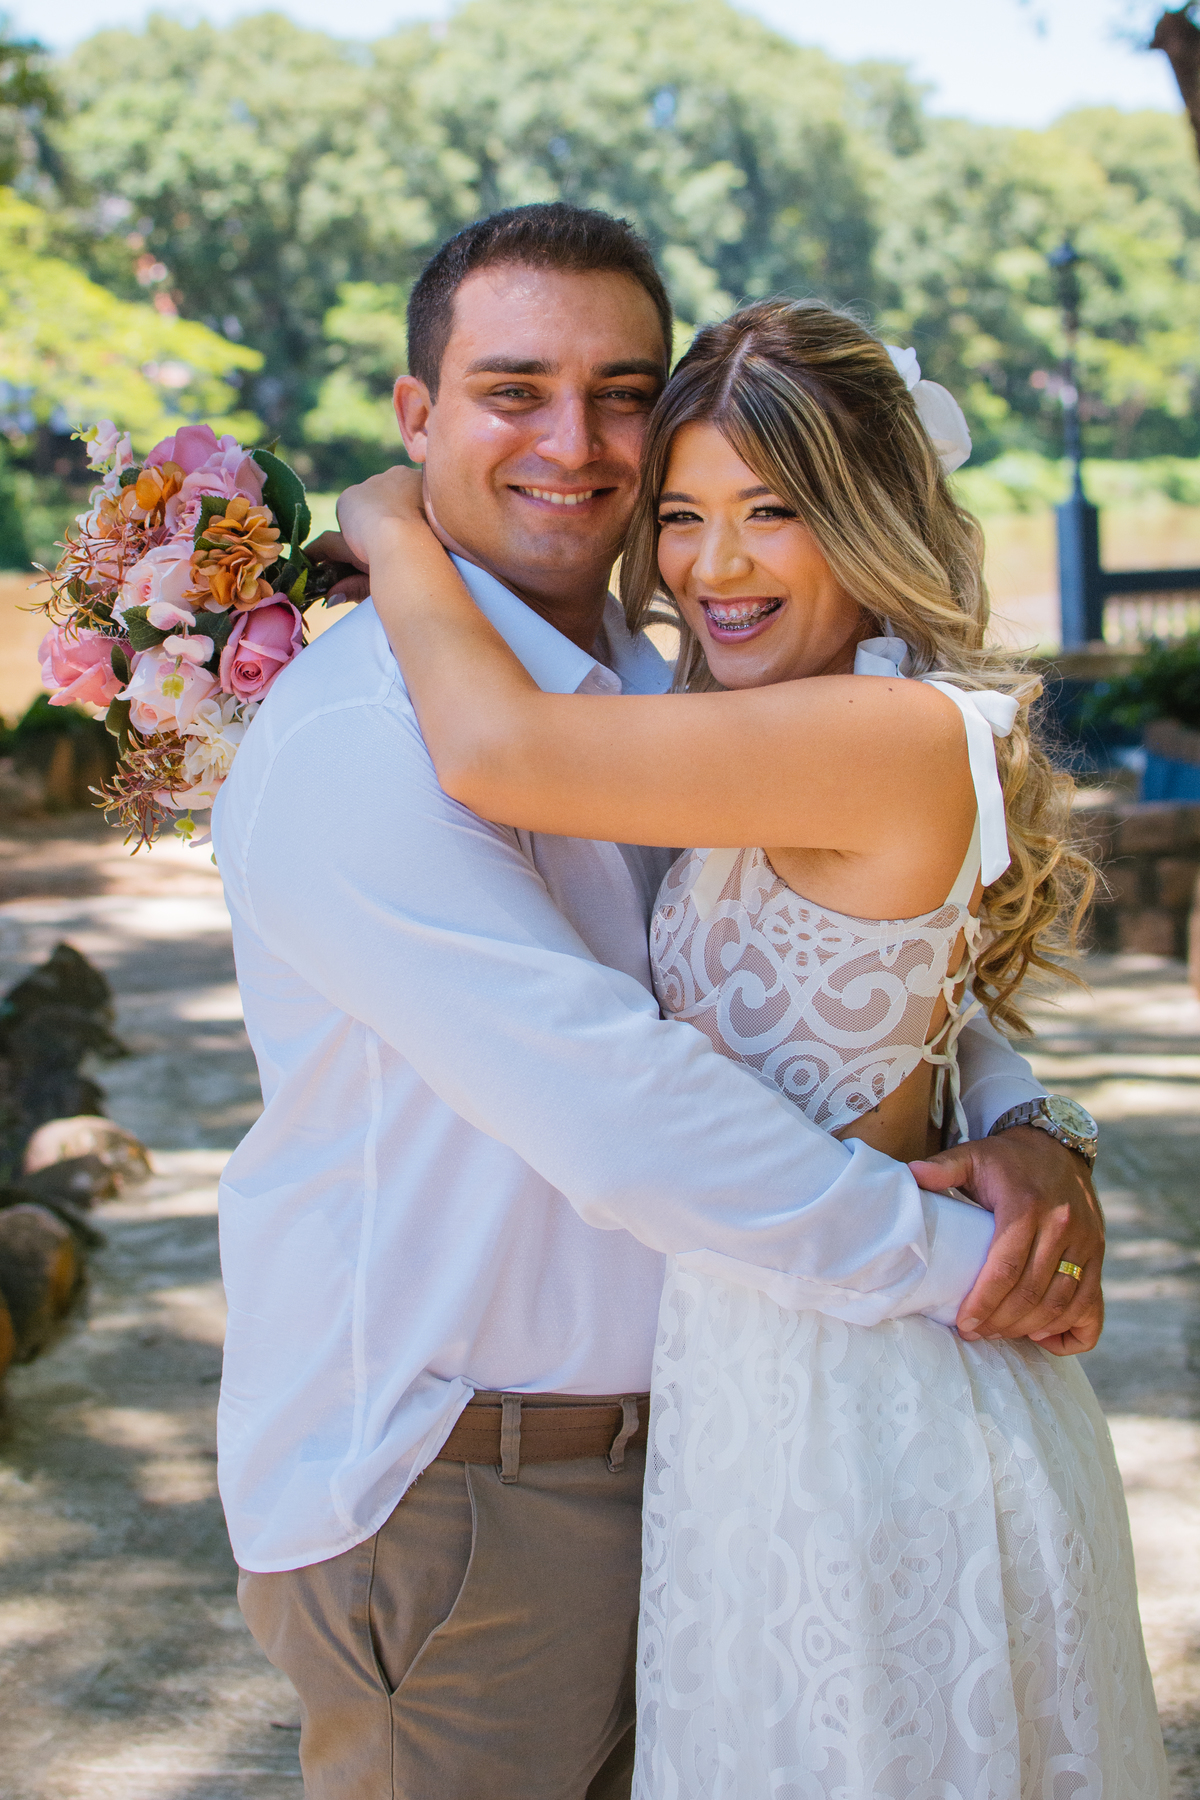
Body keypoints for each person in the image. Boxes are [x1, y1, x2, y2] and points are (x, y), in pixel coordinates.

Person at [214, 204, 1107, 1800]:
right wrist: (976, 1260)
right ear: (418, 413)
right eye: (514, 391)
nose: (577, 444)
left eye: (622, 395)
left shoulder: (671, 690)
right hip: (473, 1493)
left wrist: (1026, 1117)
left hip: (749, 1426)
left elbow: (870, 973)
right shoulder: (368, 736)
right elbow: (627, 1103)